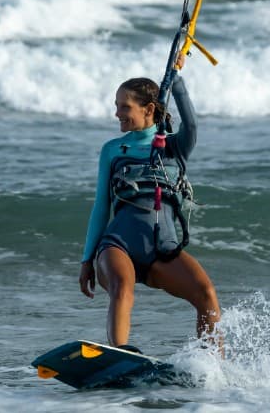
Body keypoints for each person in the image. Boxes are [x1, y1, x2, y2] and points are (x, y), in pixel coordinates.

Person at [77, 62, 220, 350]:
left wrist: (176, 82)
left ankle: (211, 366)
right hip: (117, 244)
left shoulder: (174, 147)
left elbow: (191, 124)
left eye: (124, 106)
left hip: (162, 249)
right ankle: (119, 354)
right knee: (122, 286)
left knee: (206, 294)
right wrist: (86, 260)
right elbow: (101, 207)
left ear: (148, 109)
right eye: (116, 105)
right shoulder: (113, 149)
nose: (117, 113)